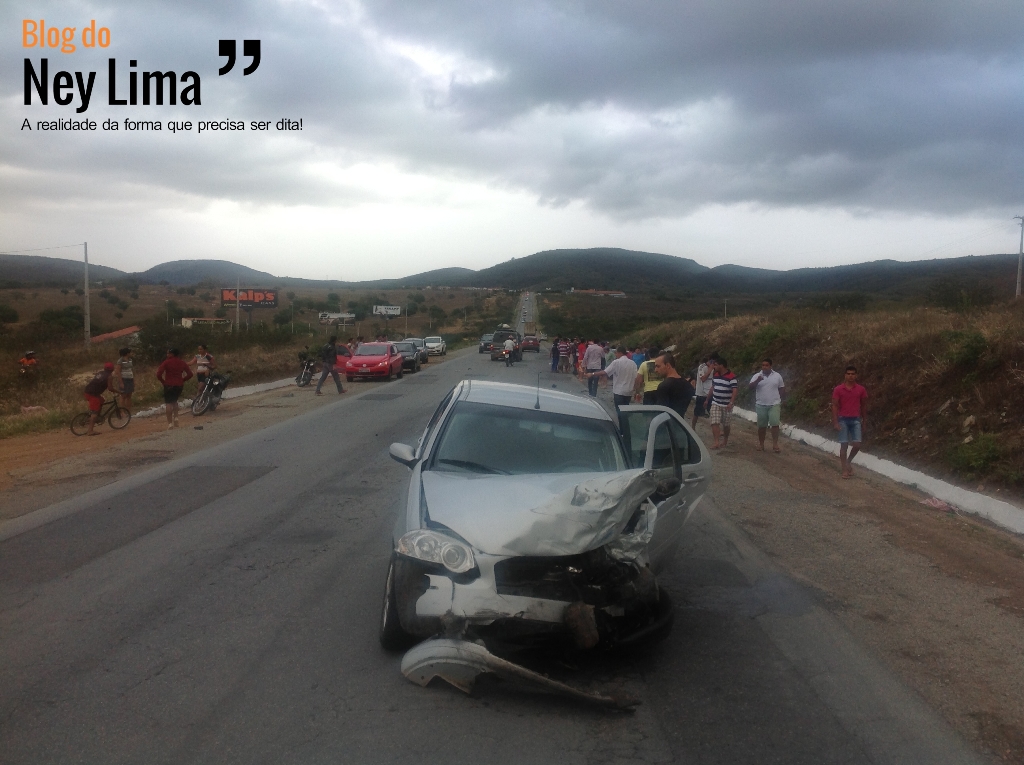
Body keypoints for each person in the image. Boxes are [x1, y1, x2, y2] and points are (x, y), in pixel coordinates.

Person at [832, 365, 868, 479]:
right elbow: (834, 406)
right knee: (844, 445)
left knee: (857, 445)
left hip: (856, 420)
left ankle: (848, 461)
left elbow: (864, 406)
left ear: (856, 375)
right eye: (848, 374)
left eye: (853, 374)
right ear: (845, 375)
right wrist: (835, 422)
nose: (850, 376)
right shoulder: (838, 389)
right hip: (843, 419)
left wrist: (864, 421)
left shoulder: (861, 389)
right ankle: (844, 470)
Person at [749, 358, 786, 453]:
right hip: (761, 404)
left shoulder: (777, 376)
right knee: (762, 426)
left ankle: (775, 444)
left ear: (770, 366)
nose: (764, 367)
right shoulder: (757, 375)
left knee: (775, 424)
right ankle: (761, 444)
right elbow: (750, 387)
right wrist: (758, 380)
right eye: (763, 365)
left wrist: (779, 398)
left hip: (774, 404)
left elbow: (781, 387)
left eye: (766, 365)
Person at [156, 348, 193, 429]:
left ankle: (170, 423)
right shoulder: (182, 362)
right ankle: (176, 418)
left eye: (168, 353)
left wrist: (163, 381)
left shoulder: (166, 362)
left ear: (172, 354)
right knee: (175, 401)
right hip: (179, 385)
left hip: (169, 384)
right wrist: (183, 379)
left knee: (168, 403)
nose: (167, 355)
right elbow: (190, 374)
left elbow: (158, 374)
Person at [708, 356, 737, 449]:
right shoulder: (715, 375)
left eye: (716, 365)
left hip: (727, 404)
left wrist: (731, 403)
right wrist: (707, 399)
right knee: (714, 422)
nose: (714, 367)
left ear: (722, 365)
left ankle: (725, 440)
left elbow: (734, 390)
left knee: (726, 425)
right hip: (716, 402)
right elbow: (713, 388)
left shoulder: (731, 376)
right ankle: (716, 442)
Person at [653, 353, 694, 419]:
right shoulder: (687, 385)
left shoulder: (664, 386)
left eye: (658, 366)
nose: (655, 370)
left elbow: (660, 412)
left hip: (666, 423)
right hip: (679, 422)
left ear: (668, 365)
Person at [83, 361, 118, 435]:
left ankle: (97, 417)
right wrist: (118, 392)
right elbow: (110, 388)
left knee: (101, 400)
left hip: (88, 391)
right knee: (94, 412)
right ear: (112, 369)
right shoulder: (109, 376)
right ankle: (90, 431)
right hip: (93, 394)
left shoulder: (100, 373)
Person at [691, 356, 712, 428]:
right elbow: (703, 379)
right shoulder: (702, 367)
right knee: (697, 412)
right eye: (711, 362)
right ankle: (693, 427)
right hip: (701, 393)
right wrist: (710, 370)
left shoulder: (715, 367)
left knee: (712, 411)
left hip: (710, 392)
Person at [113, 347, 135, 411]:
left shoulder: (130, 360)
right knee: (123, 395)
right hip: (124, 379)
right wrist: (121, 382)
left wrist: (133, 380)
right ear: (127, 353)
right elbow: (118, 371)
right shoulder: (120, 361)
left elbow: (131, 370)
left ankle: (128, 410)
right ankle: (122, 411)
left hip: (130, 378)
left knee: (129, 395)